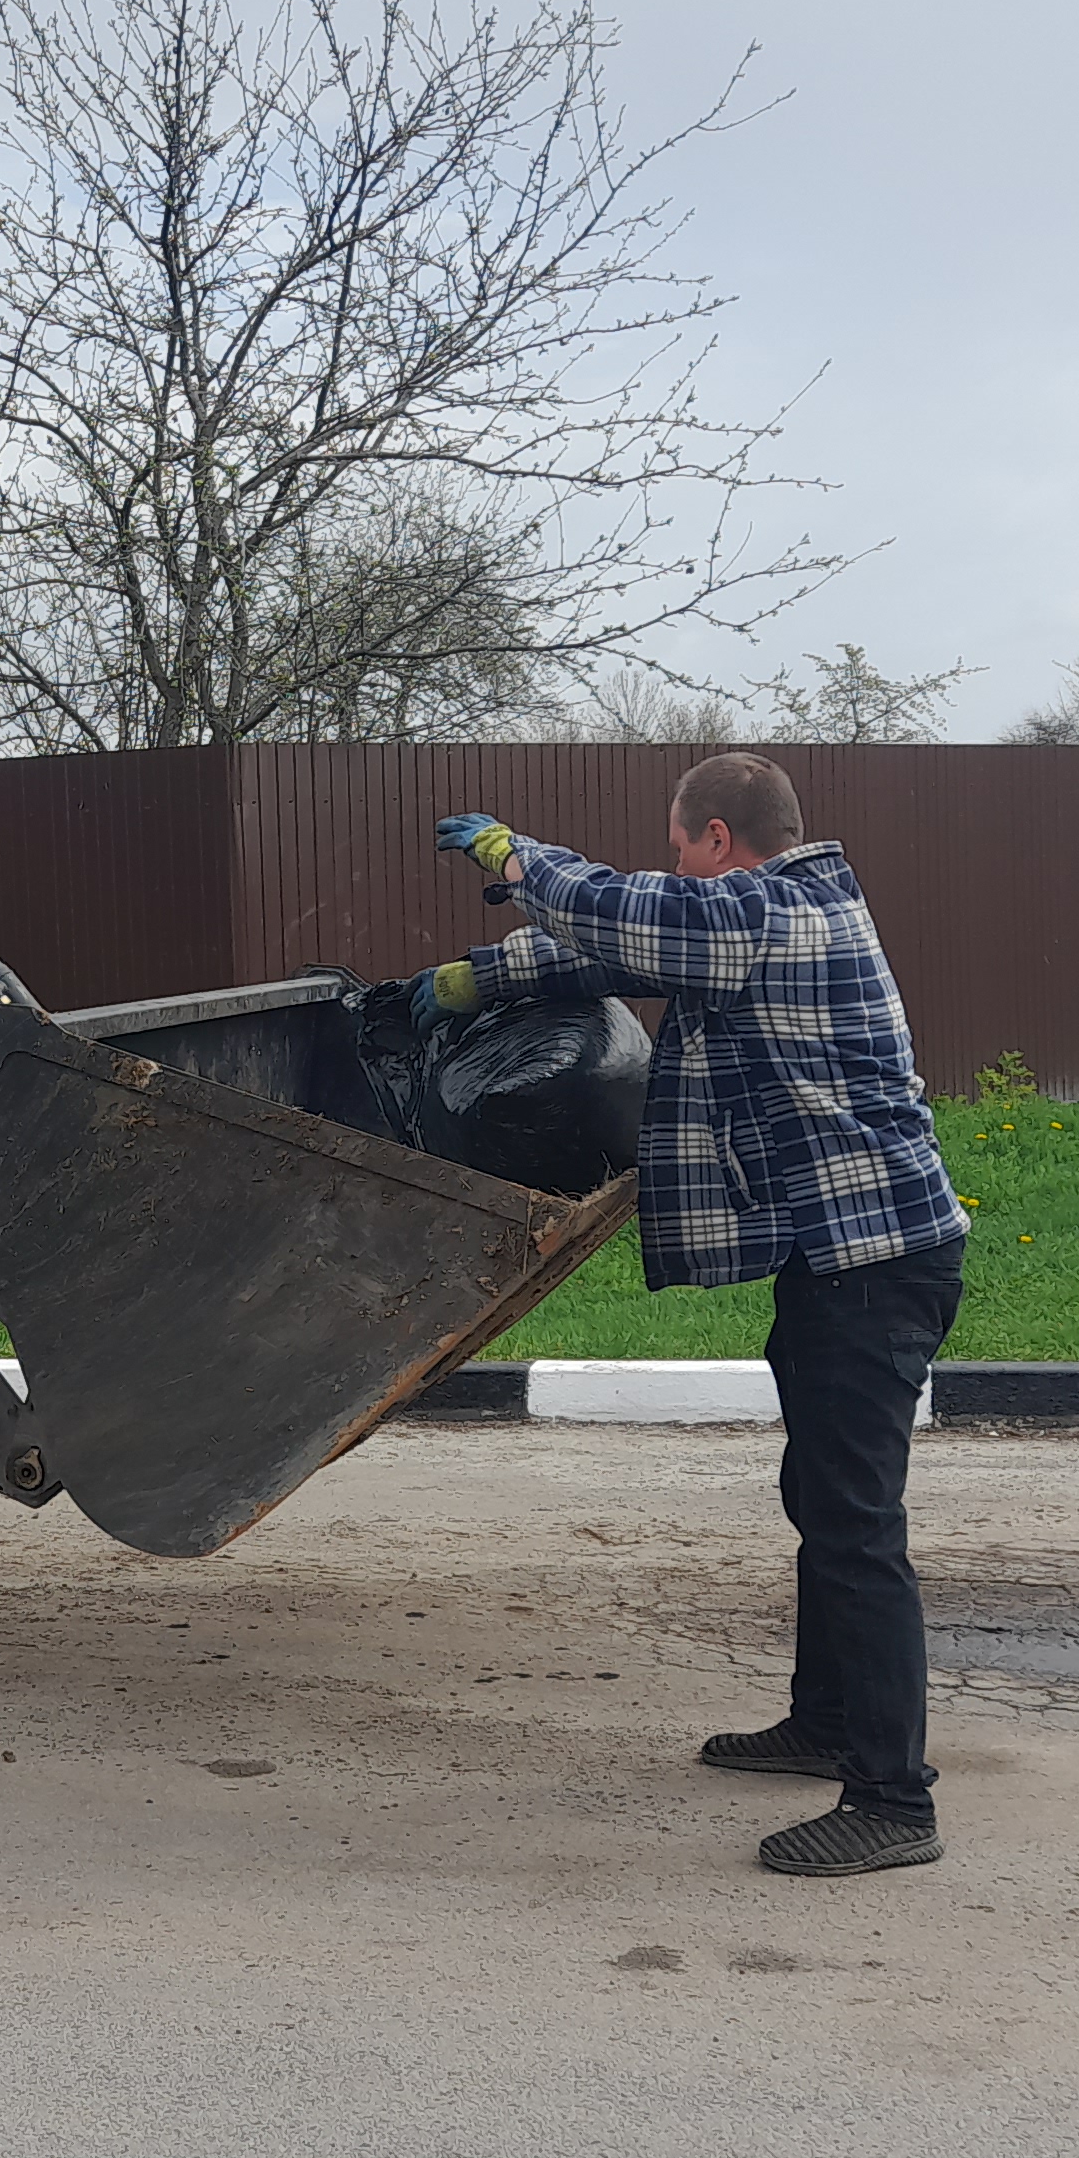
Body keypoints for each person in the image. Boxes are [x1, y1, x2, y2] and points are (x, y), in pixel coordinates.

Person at [425, 754, 968, 1877]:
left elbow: (640, 915)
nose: (672, 861)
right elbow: (614, 947)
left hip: (876, 1259)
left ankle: (891, 1800)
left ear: (718, 838)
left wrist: (520, 860)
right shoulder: (756, 917)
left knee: (856, 1525)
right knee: (821, 1497)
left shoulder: (778, 907)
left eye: (678, 844)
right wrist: (483, 978)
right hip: (844, 1257)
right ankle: (825, 1722)